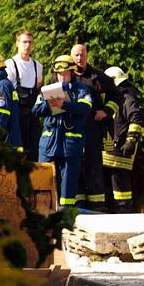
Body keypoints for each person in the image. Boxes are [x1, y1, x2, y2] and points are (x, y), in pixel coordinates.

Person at [33, 55, 92, 208]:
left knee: (68, 184)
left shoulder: (82, 90)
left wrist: (64, 105)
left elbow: (85, 108)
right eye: (59, 74)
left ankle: (66, 215)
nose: (62, 76)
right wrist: (49, 103)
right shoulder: (47, 89)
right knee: (42, 178)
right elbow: (36, 110)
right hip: (48, 143)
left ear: (72, 73)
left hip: (70, 145)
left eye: (65, 73)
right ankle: (43, 211)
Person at [71, 43, 121, 210]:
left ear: (87, 56)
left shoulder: (98, 77)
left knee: (93, 168)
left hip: (92, 129)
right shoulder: (65, 76)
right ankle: (78, 205)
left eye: (82, 54)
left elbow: (117, 95)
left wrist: (106, 111)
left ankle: (97, 207)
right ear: (72, 57)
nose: (80, 58)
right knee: (74, 167)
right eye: (76, 55)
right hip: (71, 129)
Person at [101, 66, 144, 213]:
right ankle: (116, 211)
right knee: (112, 182)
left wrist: (130, 141)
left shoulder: (127, 98)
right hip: (112, 150)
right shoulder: (116, 98)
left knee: (120, 183)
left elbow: (136, 120)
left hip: (122, 150)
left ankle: (123, 211)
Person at [5, 30, 44, 162]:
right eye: (24, 42)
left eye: (30, 42)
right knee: (17, 151)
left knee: (34, 150)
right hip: (17, 115)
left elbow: (38, 89)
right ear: (17, 43)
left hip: (33, 116)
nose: (27, 45)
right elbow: (8, 92)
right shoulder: (10, 64)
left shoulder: (38, 66)